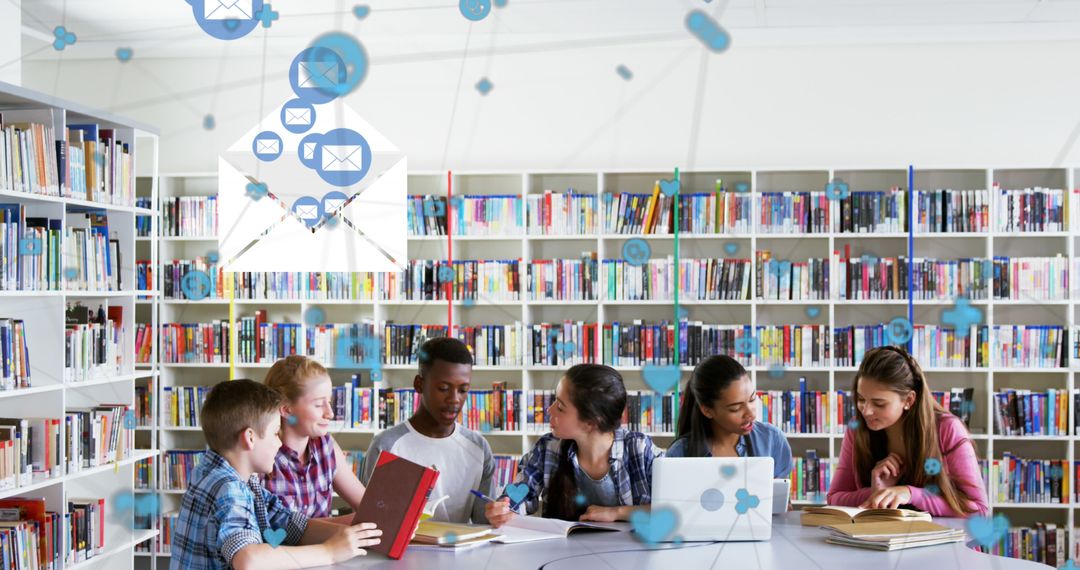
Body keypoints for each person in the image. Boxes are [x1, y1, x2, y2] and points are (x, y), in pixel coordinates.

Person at [170, 379, 381, 570]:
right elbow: (248, 560)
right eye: (274, 433)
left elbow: (289, 523)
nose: (279, 443)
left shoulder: (215, 472)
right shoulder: (229, 488)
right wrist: (329, 552)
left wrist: (355, 536)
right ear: (250, 438)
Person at [485, 363, 663, 528]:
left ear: (591, 422)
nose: (549, 410)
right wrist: (505, 508)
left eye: (560, 407)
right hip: (562, 555)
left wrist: (616, 513)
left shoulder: (639, 449)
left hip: (632, 555)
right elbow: (520, 493)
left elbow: (676, 506)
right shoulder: (548, 448)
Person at [827, 345, 989, 517]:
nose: (866, 411)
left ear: (909, 400)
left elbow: (980, 510)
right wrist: (878, 493)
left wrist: (910, 494)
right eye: (861, 399)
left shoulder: (947, 429)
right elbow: (834, 498)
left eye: (879, 403)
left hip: (943, 541)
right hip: (882, 539)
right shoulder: (857, 428)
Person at [360, 336, 495, 523]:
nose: (454, 399)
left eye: (463, 390)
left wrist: (497, 515)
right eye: (443, 388)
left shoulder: (478, 448)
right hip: (401, 552)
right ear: (419, 384)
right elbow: (371, 520)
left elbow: (484, 523)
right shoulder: (386, 446)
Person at [263, 355, 367, 522]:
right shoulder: (262, 457)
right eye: (318, 405)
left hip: (331, 547)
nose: (330, 413)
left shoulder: (326, 445)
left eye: (330, 402)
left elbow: (366, 504)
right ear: (286, 409)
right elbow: (272, 536)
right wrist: (351, 522)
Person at [665, 355, 793, 478]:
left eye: (752, 399)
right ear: (707, 411)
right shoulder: (679, 453)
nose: (751, 414)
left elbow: (782, 499)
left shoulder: (772, 439)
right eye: (735, 408)